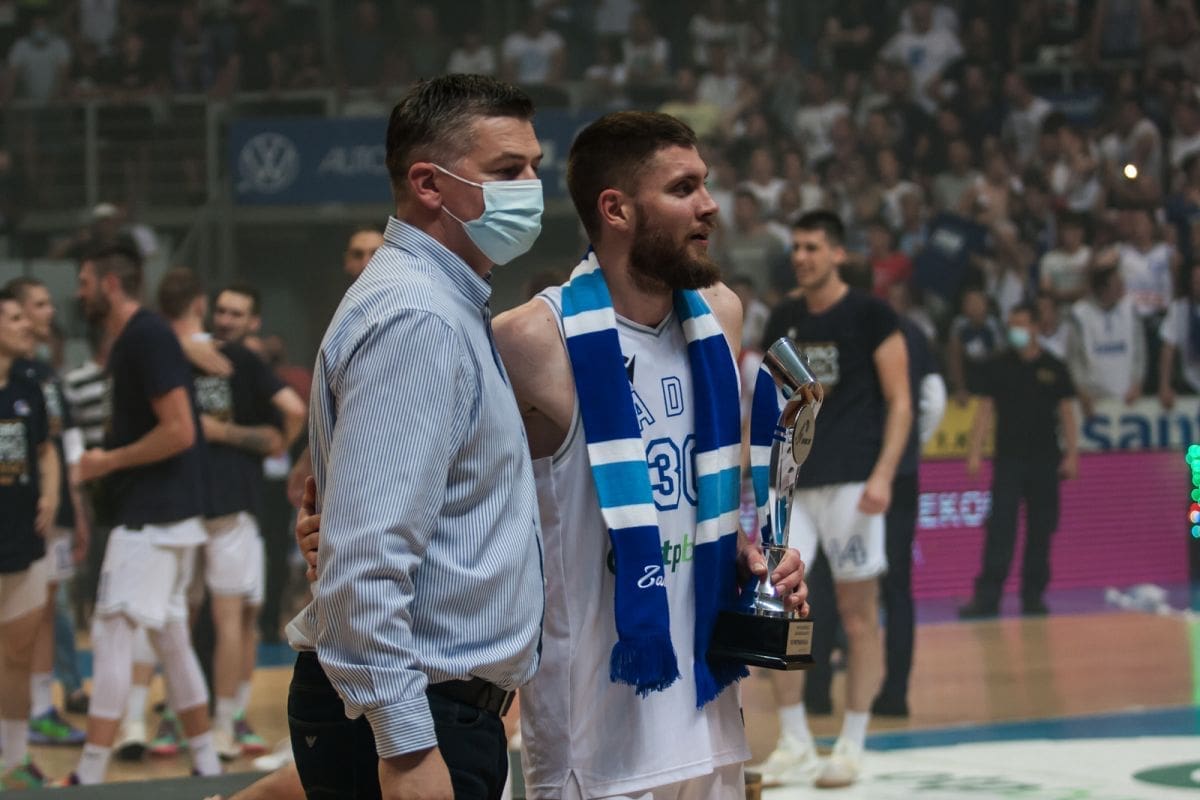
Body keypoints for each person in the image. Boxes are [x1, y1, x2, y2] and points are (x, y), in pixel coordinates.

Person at [292, 110, 811, 799]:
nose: (710, 205)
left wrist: (748, 555)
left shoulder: (721, 315)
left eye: (704, 183)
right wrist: (335, 534)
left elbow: (691, 496)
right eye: (684, 188)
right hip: (591, 728)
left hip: (709, 709)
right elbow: (420, 464)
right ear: (616, 209)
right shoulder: (528, 338)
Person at [285, 74, 547, 799]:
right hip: (417, 715)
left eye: (534, 167)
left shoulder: (448, 303)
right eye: (507, 171)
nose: (532, 188)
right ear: (430, 184)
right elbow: (366, 561)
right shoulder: (417, 317)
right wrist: (405, 747)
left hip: (442, 706)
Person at [754, 210, 912, 789]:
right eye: (796, 247)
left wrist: (884, 474)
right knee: (779, 607)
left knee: (857, 613)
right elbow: (773, 402)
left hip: (853, 482)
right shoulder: (784, 317)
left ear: (838, 254)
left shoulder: (872, 315)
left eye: (813, 247)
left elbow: (900, 400)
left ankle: (851, 741)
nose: (801, 257)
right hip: (792, 486)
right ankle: (794, 739)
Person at [64, 243, 220, 785]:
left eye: (85, 282)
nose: (78, 293)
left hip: (151, 519)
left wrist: (106, 461)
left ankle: (88, 776)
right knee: (172, 641)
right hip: (169, 519)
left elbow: (179, 430)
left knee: (111, 635)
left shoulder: (144, 336)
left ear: (110, 284)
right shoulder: (141, 337)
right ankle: (206, 762)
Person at [157, 267, 305, 759]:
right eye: (220, 310)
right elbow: (294, 411)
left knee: (227, 615)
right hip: (198, 504)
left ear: (253, 321)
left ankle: (217, 718)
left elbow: (292, 413)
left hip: (223, 503)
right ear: (204, 309)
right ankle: (199, 719)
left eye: (236, 313)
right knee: (199, 616)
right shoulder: (193, 353)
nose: (226, 320)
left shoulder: (238, 360)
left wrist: (249, 440)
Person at [5, 277, 90, 744]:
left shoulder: (41, 376)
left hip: (39, 518)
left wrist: (65, 499)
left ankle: (37, 714)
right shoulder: (22, 374)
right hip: (18, 519)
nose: (46, 313)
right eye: (33, 306)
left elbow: (55, 444)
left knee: (44, 610)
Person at [959, 303, 1079, 618]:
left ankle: (1033, 596)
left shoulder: (1054, 367)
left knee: (1041, 530)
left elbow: (1067, 413)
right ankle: (987, 598)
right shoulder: (999, 365)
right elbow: (985, 410)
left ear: (1036, 327)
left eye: (1022, 324)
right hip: (1008, 460)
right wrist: (975, 452)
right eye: (1012, 324)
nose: (1016, 331)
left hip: (1045, 462)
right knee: (1000, 529)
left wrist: (1072, 454)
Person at [0, 288, 59, 788]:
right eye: (15, 317)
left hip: (24, 539)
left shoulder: (28, 386)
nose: (26, 325)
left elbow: (45, 449)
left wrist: (52, 494)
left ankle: (15, 760)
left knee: (17, 655)